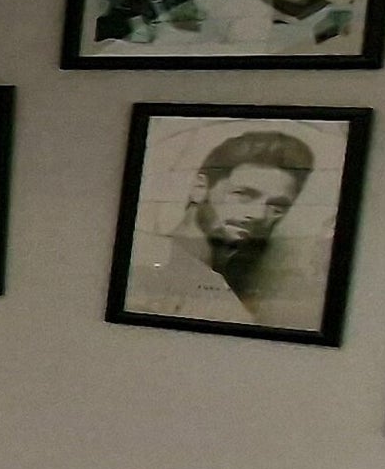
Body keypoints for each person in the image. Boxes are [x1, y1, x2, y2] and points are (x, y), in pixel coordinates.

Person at [125, 127, 327, 327]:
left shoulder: (225, 294)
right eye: (244, 194)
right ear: (200, 188)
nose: (258, 215)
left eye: (277, 207)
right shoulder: (141, 260)